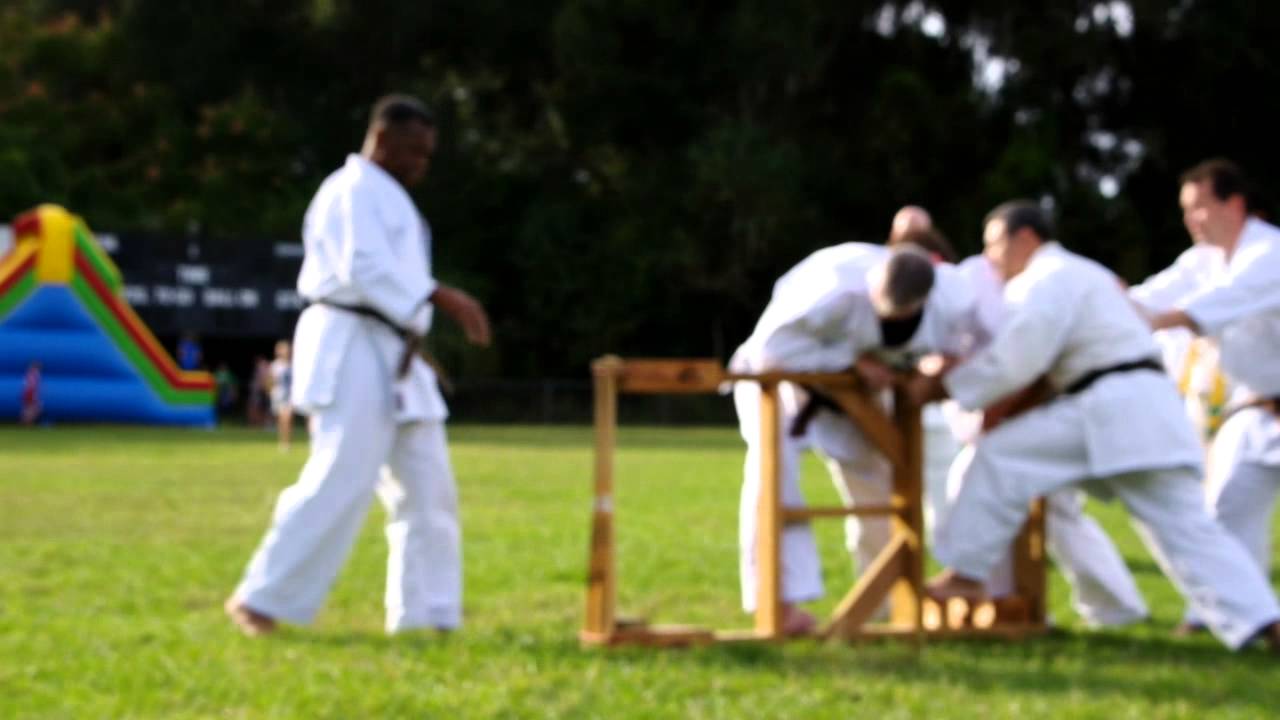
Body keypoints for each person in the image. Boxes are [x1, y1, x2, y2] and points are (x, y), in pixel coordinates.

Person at [908, 200, 1280, 651]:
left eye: (995, 246)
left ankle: (966, 574)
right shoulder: (1079, 274)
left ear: (1025, 238)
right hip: (1145, 408)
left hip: (1109, 404)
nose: (991, 259)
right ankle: (1267, 621)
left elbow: (1018, 359)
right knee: (1189, 530)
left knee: (1000, 456)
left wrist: (942, 386)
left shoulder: (1048, 277)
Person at [225, 94, 491, 637]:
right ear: (383, 140)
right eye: (414, 151)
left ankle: (428, 616)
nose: (422, 163)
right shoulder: (350, 190)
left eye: (428, 154)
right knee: (342, 474)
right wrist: (445, 298)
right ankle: (262, 597)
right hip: (350, 342)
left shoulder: (391, 198)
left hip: (395, 353)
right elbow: (362, 267)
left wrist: (425, 309)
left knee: (428, 486)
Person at [730, 240, 982, 635]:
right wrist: (850, 363)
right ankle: (778, 603)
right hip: (780, 386)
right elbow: (770, 352)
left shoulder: (954, 298)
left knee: (882, 488)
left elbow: (972, 345)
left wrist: (938, 370)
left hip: (859, 398)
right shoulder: (833, 287)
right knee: (772, 472)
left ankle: (883, 600)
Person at [1145, 159, 1280, 636]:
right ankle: (1225, 614)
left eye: (1201, 206)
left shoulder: (1269, 252)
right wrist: (1104, 306)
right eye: (1186, 209)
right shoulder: (1202, 260)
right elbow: (1153, 296)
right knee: (1224, 511)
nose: (1192, 219)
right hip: (1258, 407)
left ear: (1235, 203)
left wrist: (1149, 321)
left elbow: (1214, 305)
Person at [268, 340, 294, 451]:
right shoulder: (275, 365)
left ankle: (287, 442)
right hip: (279, 395)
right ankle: (283, 441)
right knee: (281, 420)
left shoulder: (294, 364)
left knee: (287, 418)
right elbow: (270, 381)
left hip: (291, 395)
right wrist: (271, 391)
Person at [20, 361, 42, 425]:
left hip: (28, 393)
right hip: (30, 393)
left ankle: (26, 421)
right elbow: (32, 385)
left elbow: (27, 384)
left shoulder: (30, 374)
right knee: (33, 408)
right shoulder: (35, 374)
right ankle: (27, 421)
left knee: (29, 408)